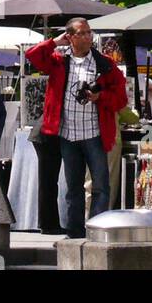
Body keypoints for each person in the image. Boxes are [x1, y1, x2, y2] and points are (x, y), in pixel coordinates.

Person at [25, 18, 129, 239]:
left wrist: (100, 96)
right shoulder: (59, 61)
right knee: (73, 189)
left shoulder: (105, 64)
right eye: (81, 33)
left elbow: (120, 99)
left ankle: (97, 231)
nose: (87, 37)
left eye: (89, 33)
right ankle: (74, 233)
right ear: (70, 37)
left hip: (94, 134)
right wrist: (54, 42)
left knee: (100, 185)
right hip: (67, 135)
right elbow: (32, 55)